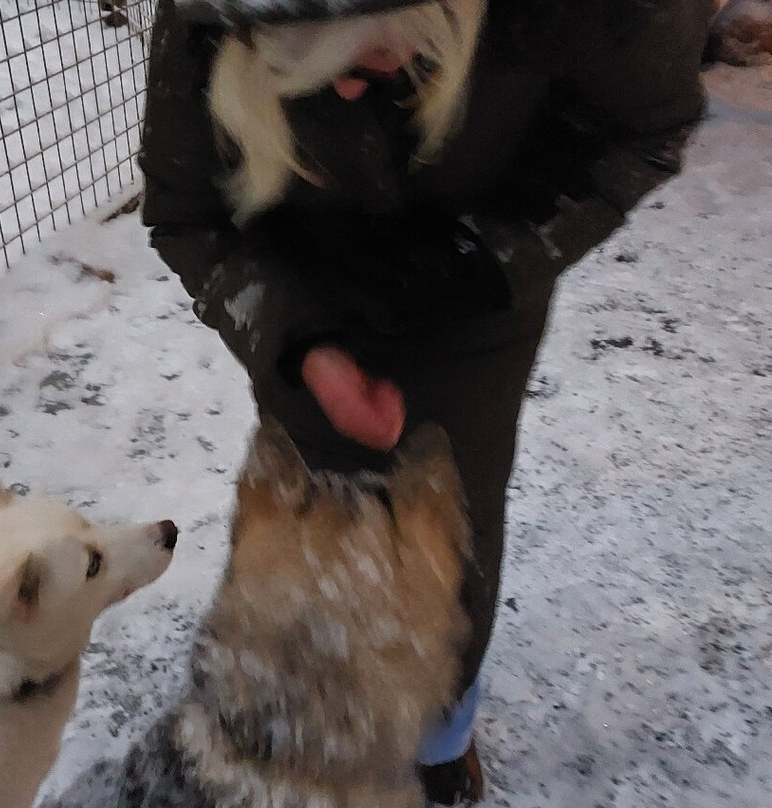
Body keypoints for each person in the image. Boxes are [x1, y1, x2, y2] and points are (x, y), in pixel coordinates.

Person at [138, 0, 710, 802]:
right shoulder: (208, 14)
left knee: (455, 523)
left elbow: (647, 129)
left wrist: (489, 259)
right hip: (304, 290)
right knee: (307, 524)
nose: (336, 95)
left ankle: (443, 733)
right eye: (289, 65)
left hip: (481, 291)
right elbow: (184, 215)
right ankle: (273, 731)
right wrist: (297, 345)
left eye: (359, 52)